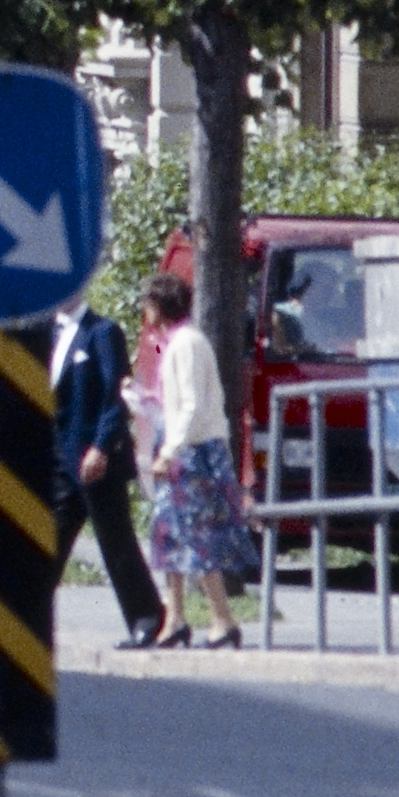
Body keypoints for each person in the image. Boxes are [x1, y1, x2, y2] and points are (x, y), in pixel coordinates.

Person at [137, 272, 252, 647]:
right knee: (169, 534)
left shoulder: (186, 343)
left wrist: (169, 450)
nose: (145, 311)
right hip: (183, 447)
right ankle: (176, 618)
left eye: (148, 304)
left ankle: (222, 620)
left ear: (160, 306)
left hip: (193, 453)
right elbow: (178, 404)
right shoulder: (175, 343)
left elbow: (190, 405)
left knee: (198, 536)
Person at [47, 292, 163, 648]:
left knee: (116, 542)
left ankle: (148, 619)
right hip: (60, 460)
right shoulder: (47, 333)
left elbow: (115, 396)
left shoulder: (102, 332)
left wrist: (100, 447)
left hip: (97, 461)